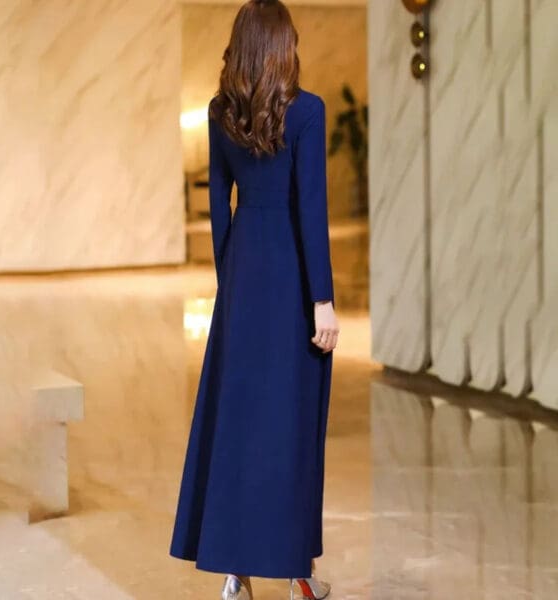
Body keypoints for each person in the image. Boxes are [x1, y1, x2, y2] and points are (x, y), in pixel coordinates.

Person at [169, 1, 339, 598]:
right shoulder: (308, 112)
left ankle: (235, 575)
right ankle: (298, 575)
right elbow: (311, 212)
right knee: (291, 426)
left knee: (236, 425)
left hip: (244, 274)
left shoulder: (221, 112)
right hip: (292, 276)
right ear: (281, 45)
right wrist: (323, 300)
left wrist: (230, 281)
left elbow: (219, 207)